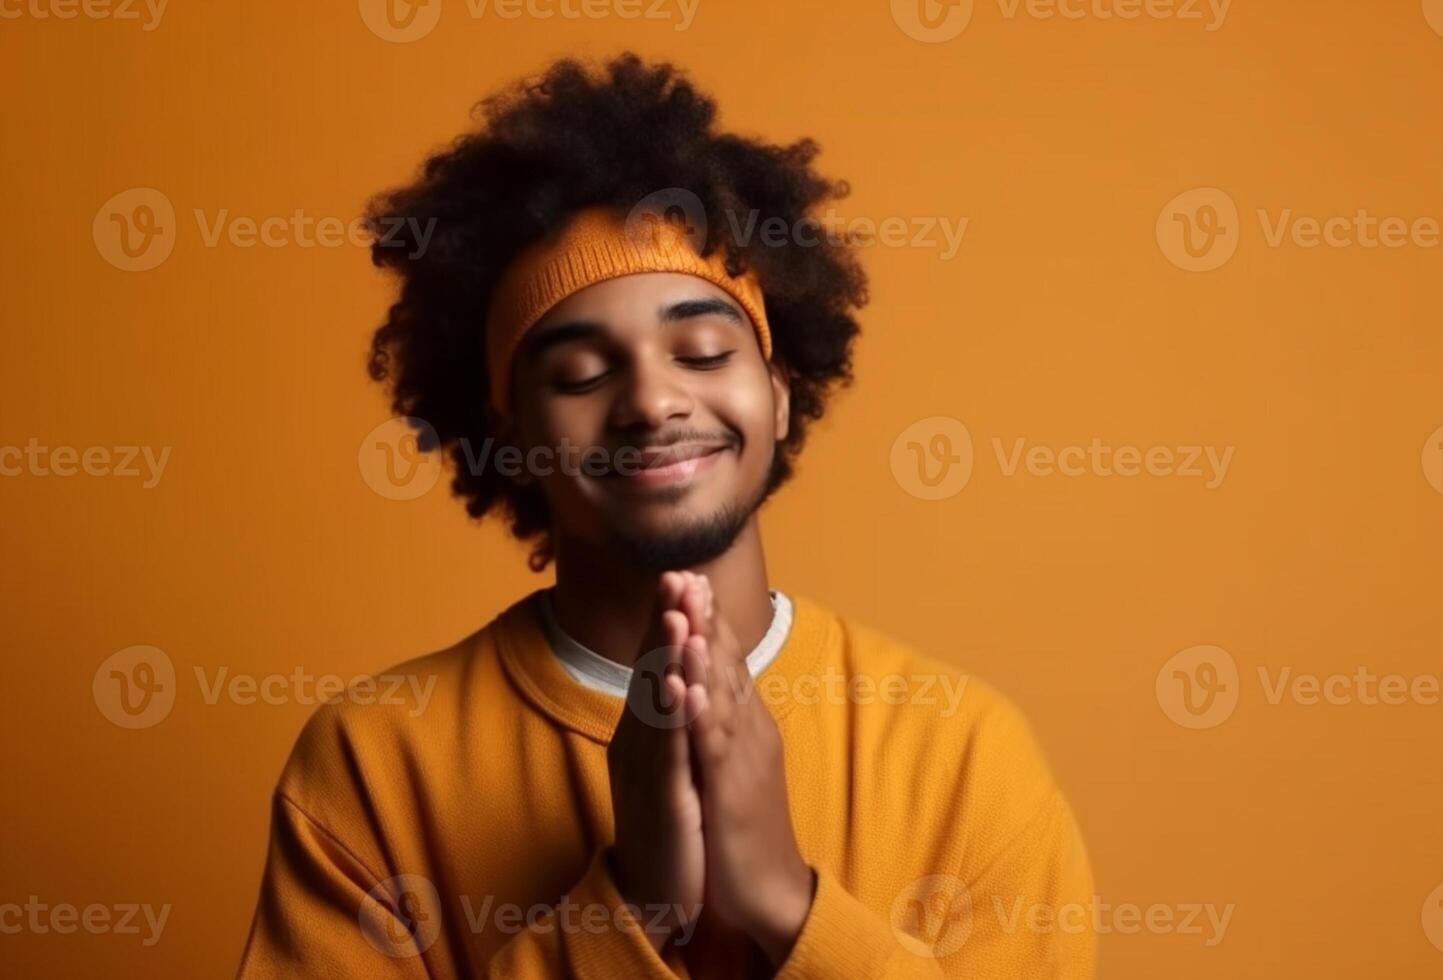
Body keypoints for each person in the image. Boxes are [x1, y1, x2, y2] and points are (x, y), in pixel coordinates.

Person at [238, 52, 1095, 979]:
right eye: (580, 373)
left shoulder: (964, 754)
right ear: (508, 427)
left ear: (776, 391)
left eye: (700, 350)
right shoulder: (371, 764)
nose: (651, 401)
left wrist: (786, 905)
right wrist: (628, 907)